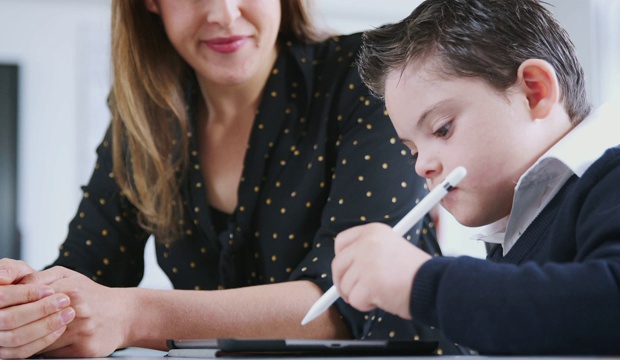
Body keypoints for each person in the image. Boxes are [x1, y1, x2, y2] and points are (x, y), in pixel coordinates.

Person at [0, 0, 457, 358]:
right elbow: (87, 276)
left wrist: (132, 314)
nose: (224, 13)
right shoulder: (144, 113)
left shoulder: (367, 76)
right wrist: (26, 302)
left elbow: (344, 303)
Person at [332, 0, 620, 355]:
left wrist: (421, 282)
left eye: (442, 129)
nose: (420, 167)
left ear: (534, 91)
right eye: (412, 150)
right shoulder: (510, 239)